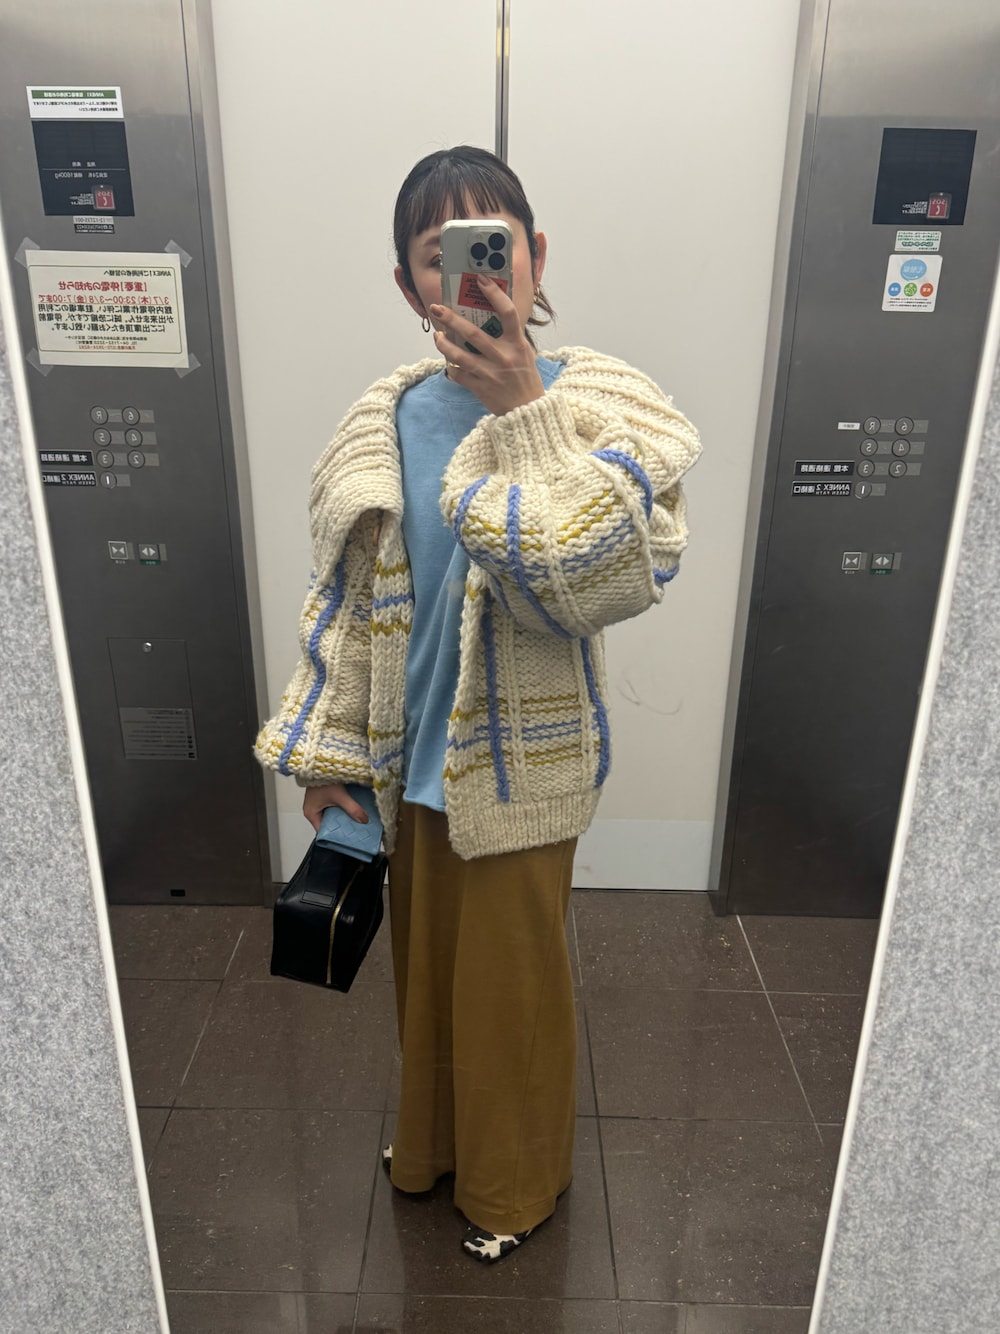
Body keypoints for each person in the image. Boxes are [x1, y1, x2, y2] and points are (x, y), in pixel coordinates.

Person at [254, 145, 701, 1263]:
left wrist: (526, 412)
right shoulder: (383, 417)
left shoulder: (603, 404)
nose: (472, 275)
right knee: (428, 984)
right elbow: (347, 604)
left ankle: (510, 1187)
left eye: (492, 245)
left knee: (512, 991)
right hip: (403, 758)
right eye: (439, 255)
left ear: (534, 254)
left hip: (524, 763)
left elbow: (599, 578)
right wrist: (329, 756)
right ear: (409, 283)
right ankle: (432, 1151)